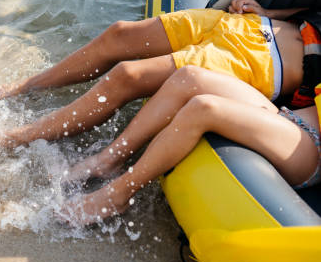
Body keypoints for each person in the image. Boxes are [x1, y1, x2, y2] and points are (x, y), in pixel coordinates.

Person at [0, 0, 311, 157]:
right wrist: (270, 12)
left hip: (259, 63)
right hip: (250, 25)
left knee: (126, 75)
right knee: (118, 34)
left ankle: (11, 139)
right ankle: (24, 88)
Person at [56, 65, 320, 226]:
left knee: (204, 108)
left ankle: (119, 194)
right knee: (189, 77)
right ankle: (108, 160)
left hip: (309, 149)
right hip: (291, 117)